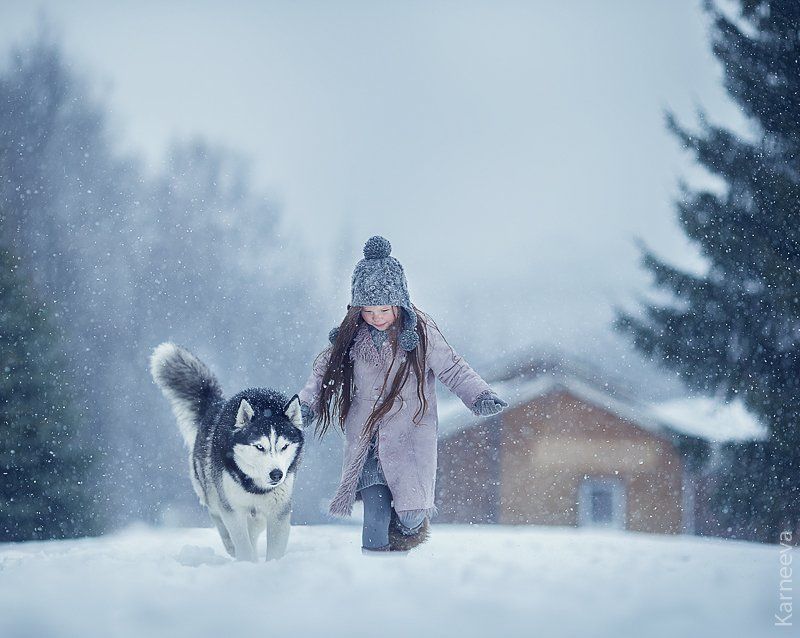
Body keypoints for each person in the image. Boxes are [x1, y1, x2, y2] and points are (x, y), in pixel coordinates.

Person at [298, 235, 507, 555]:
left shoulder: (422, 332)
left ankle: (404, 547)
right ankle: (375, 574)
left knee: (410, 516)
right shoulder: (351, 337)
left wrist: (478, 396)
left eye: (384, 309)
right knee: (376, 514)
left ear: (400, 303)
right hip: (368, 437)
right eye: (368, 310)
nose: (377, 317)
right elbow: (322, 374)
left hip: (411, 433)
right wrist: (307, 406)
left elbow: (452, 367)